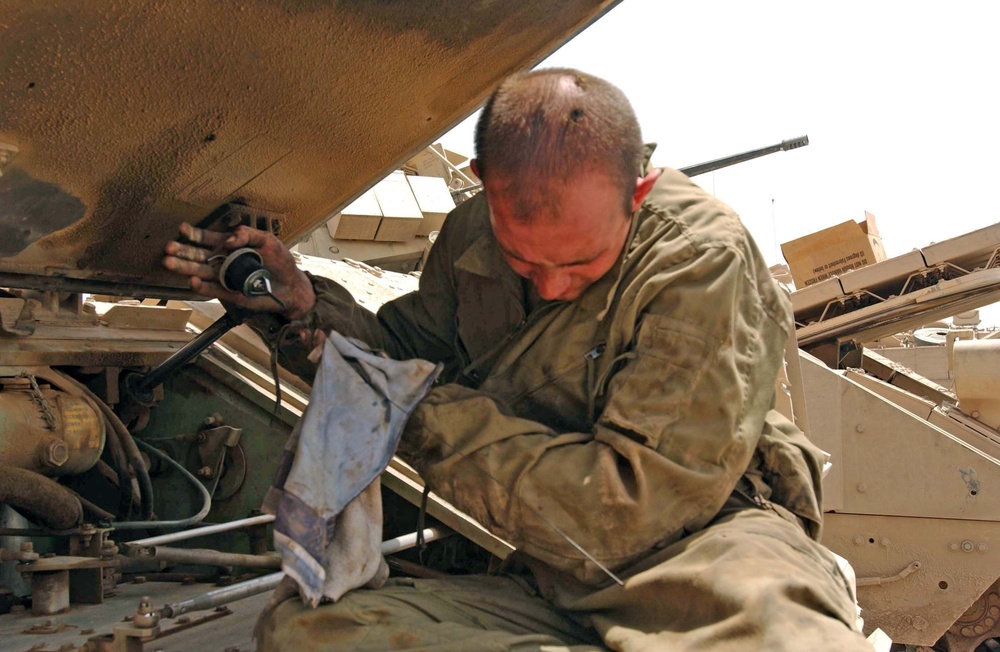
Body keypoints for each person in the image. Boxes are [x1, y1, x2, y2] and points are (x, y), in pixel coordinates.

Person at [163, 68, 871, 651]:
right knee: (309, 636)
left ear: (640, 193)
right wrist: (303, 308)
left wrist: (413, 406)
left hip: (703, 551)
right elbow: (401, 354)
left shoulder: (700, 261)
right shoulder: (473, 231)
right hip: (547, 567)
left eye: (583, 263)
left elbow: (627, 510)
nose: (553, 286)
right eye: (524, 260)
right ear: (484, 182)